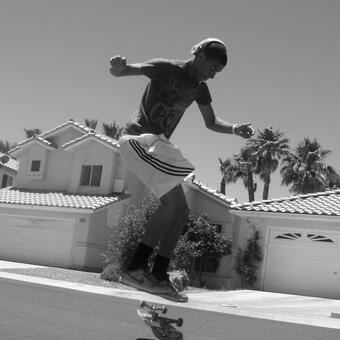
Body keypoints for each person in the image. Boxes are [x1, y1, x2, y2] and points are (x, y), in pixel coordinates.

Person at [110, 38, 254, 302]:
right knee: (171, 203)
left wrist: (234, 128)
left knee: (181, 210)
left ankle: (159, 274)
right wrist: (118, 67)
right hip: (138, 140)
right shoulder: (165, 67)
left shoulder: (199, 89)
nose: (211, 75)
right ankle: (134, 268)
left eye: (216, 73)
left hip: (157, 146)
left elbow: (210, 122)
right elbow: (125, 70)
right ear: (199, 56)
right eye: (211, 68)